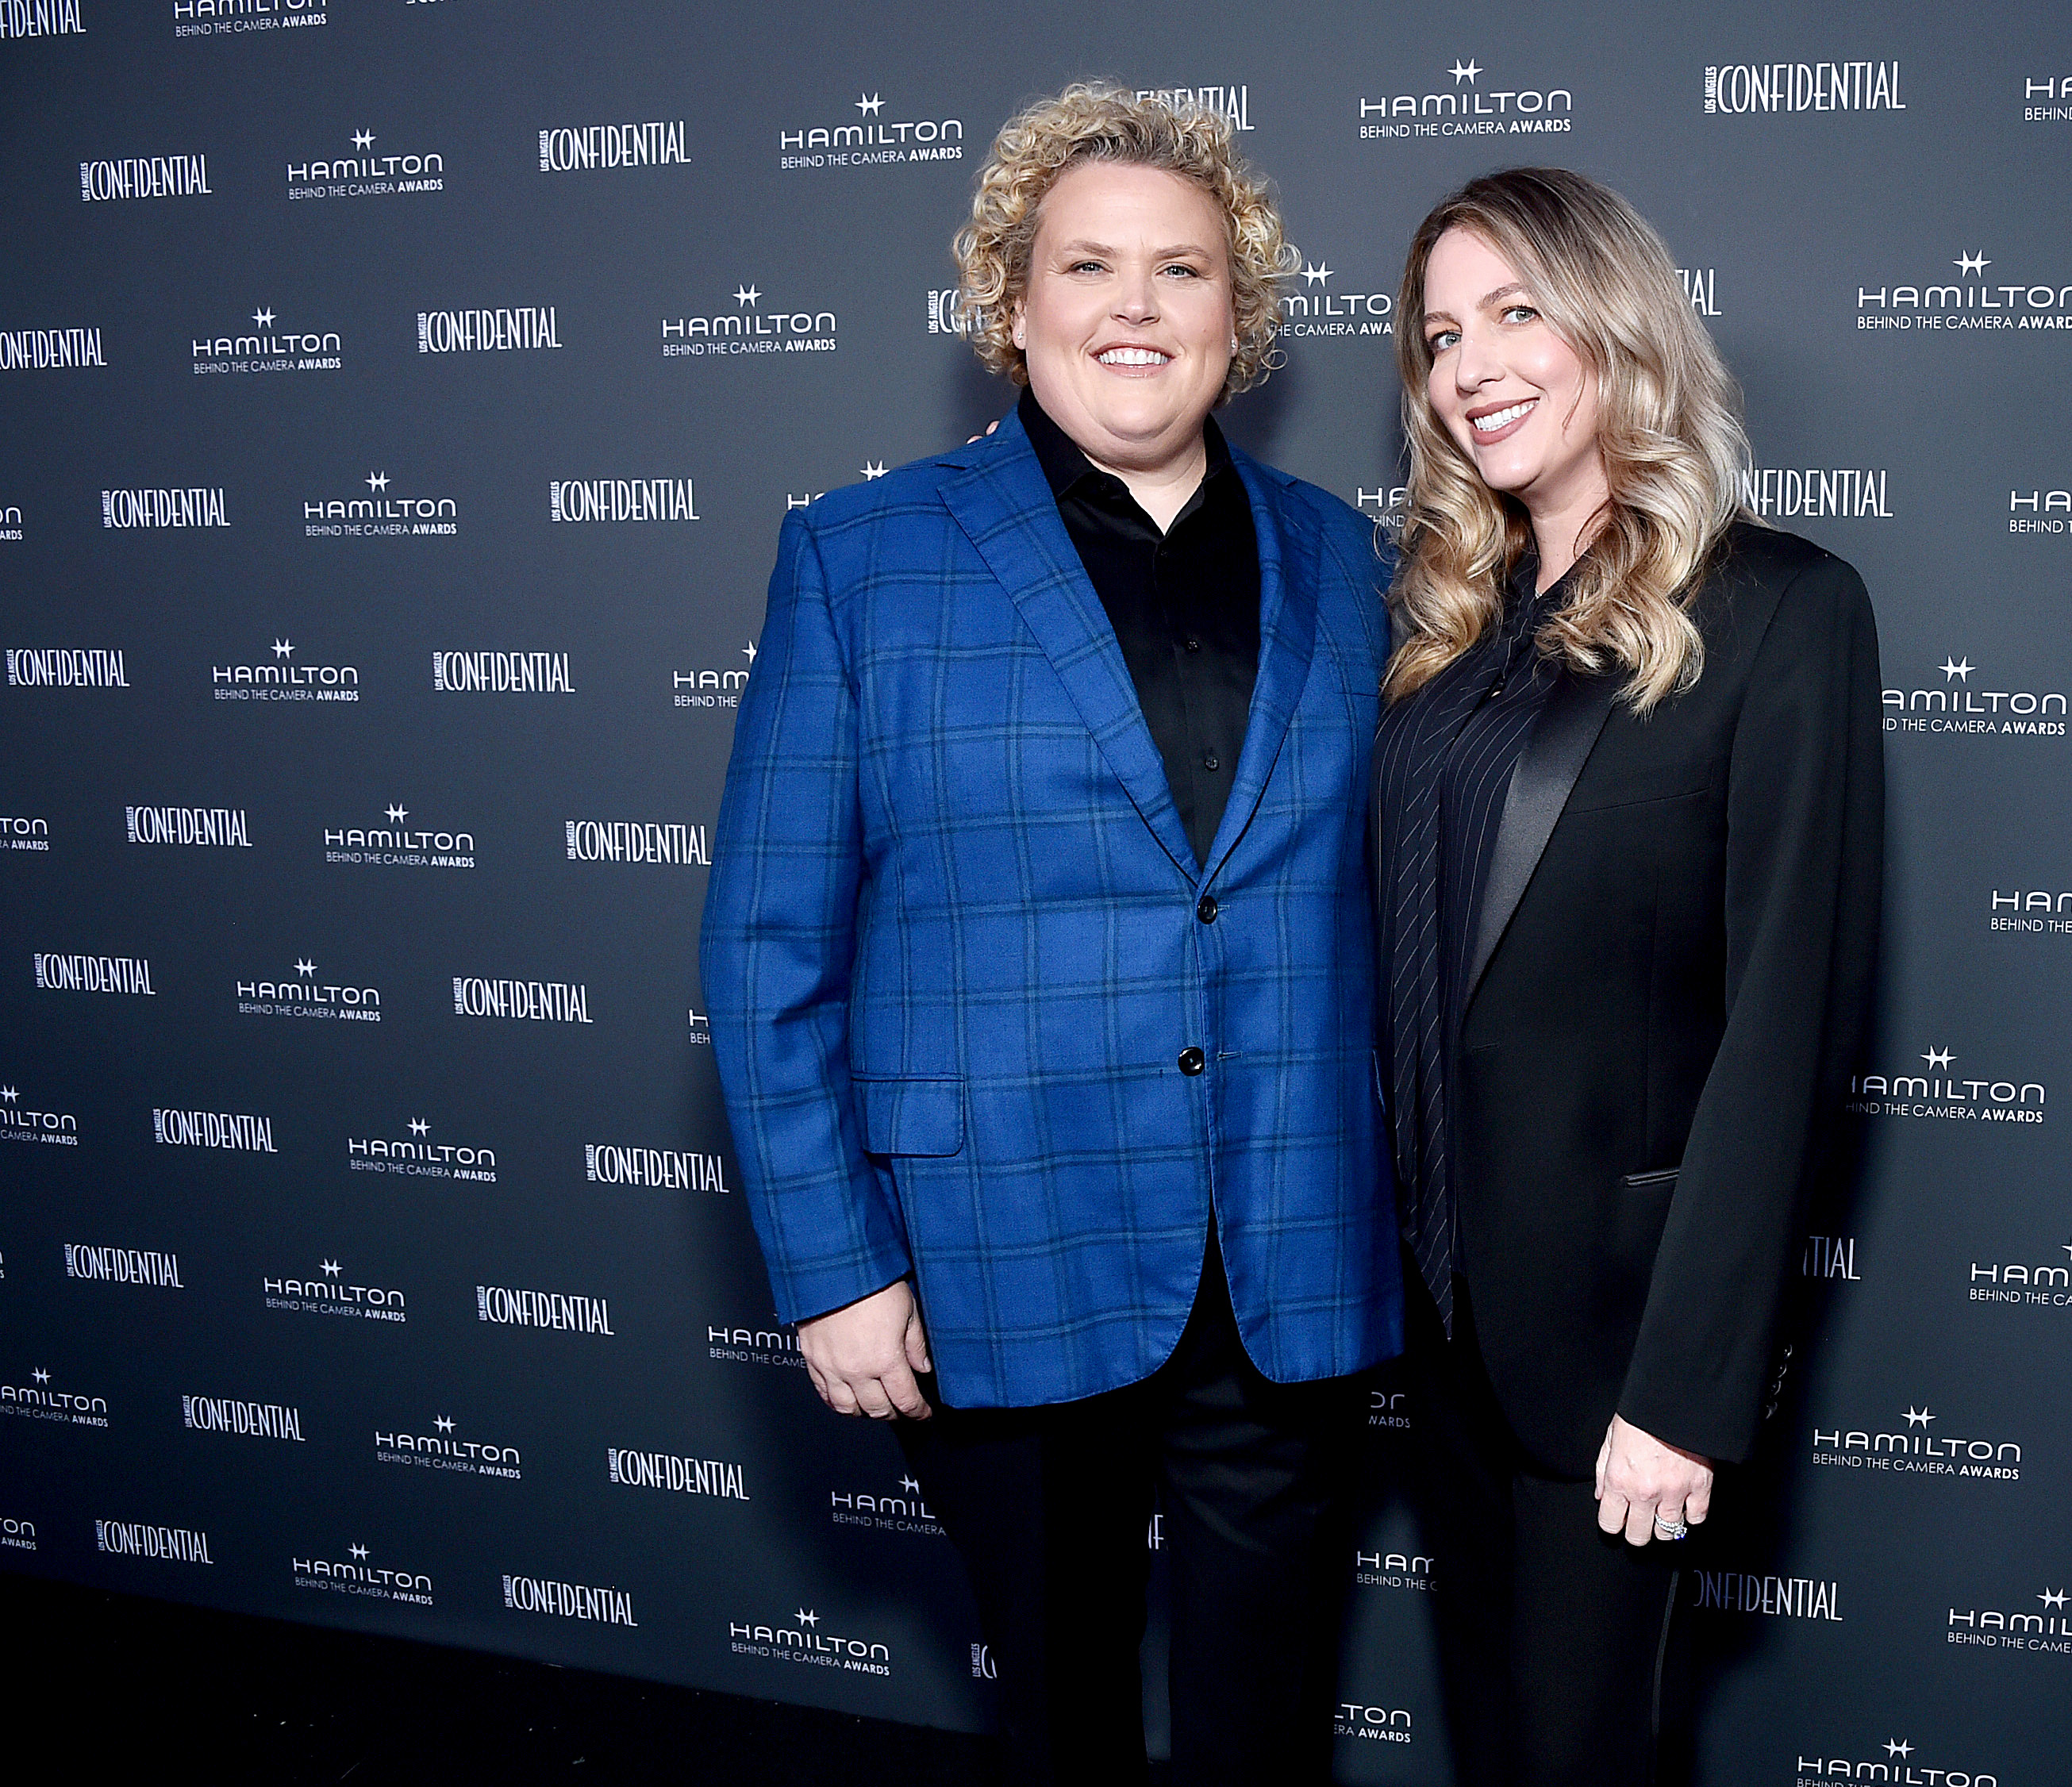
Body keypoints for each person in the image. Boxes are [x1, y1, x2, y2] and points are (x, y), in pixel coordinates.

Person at [700, 85, 1397, 1787]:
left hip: (1285, 1242)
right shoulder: (862, 559)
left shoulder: (1358, 563)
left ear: (1245, 319)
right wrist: (837, 1263)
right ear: (1012, 307)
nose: (1137, 307)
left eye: (1184, 271)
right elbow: (766, 942)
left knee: (1269, 1726)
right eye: (1089, 266)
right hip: (995, 1247)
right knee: (1063, 1716)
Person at [1372, 167, 1883, 1785]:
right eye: (1443, 334)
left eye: (1516, 311)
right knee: (1499, 1746)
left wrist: (1686, 1390)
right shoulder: (1445, 633)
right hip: (1441, 1328)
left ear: (1616, 323)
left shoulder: (1783, 609)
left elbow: (1788, 1028)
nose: (1471, 365)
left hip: (1616, 1348)